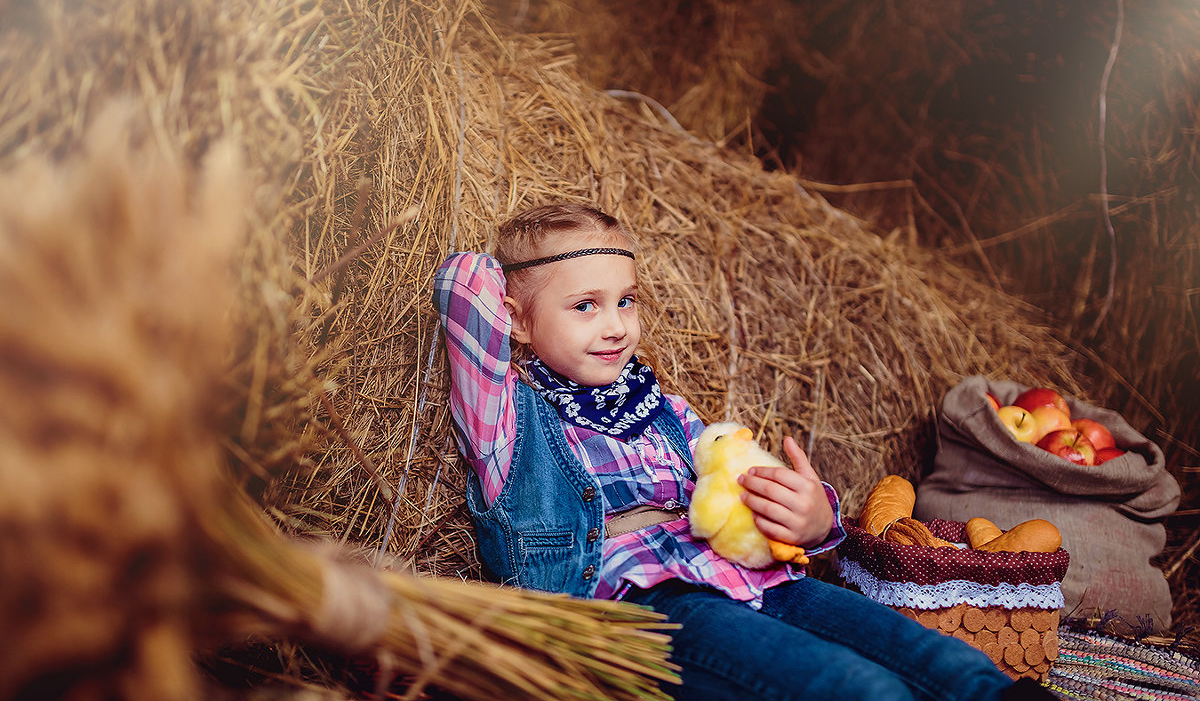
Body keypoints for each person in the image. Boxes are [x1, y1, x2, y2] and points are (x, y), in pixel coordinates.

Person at [433, 202, 1053, 701]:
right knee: (857, 687)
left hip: (756, 578)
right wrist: (533, 267)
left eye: (626, 299)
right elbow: (465, 286)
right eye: (584, 306)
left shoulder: (664, 409)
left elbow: (747, 491)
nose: (616, 324)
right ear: (515, 319)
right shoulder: (506, 419)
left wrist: (815, 520)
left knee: (938, 662)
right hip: (644, 609)